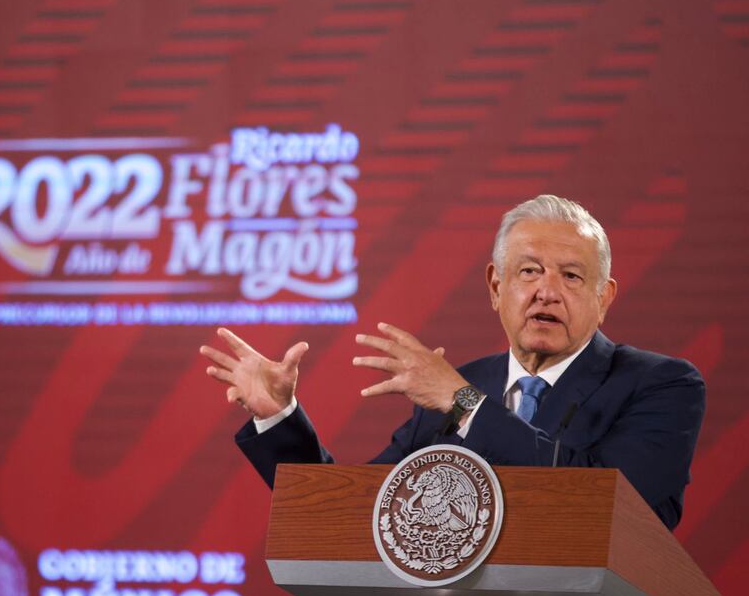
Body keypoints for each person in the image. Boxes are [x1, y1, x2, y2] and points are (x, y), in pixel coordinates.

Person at [200, 195, 704, 530]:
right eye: (529, 270)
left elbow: (608, 504)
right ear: (495, 287)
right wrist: (278, 417)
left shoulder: (660, 384)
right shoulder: (460, 387)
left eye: (572, 276)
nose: (546, 291)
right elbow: (352, 517)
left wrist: (462, 402)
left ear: (604, 298)